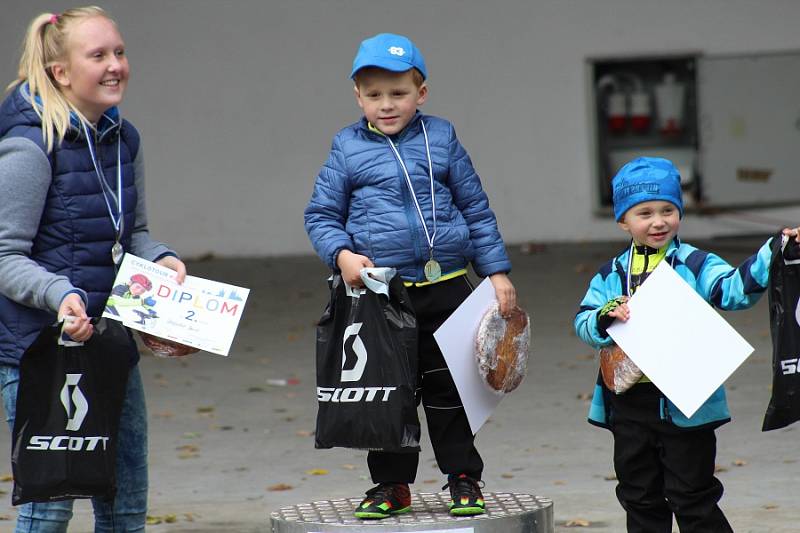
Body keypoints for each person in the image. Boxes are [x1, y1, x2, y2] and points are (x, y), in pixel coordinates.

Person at [304, 33, 516, 519]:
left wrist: (496, 272)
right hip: (383, 296)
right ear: (357, 96)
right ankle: (391, 485)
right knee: (388, 393)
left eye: (398, 93)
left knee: (451, 389)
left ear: (421, 93)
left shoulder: (441, 138)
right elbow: (320, 215)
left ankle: (463, 476)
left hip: (448, 290)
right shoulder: (346, 147)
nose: (386, 104)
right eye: (374, 94)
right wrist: (340, 255)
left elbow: (476, 209)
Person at [0, 7, 186, 531]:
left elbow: (135, 234)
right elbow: (4, 255)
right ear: (61, 72)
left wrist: (162, 259)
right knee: (50, 502)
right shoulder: (29, 145)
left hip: (108, 343)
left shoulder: (123, 139)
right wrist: (59, 296)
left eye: (120, 52)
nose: (115, 66)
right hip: (38, 351)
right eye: (98, 55)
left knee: (125, 502)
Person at [574, 156, 800, 533]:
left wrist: (771, 253)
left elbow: (732, 291)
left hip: (686, 405)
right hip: (629, 405)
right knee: (638, 495)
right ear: (622, 221)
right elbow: (583, 322)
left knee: (692, 495)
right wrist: (606, 314)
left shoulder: (695, 263)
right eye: (644, 213)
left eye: (668, 210)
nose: (658, 221)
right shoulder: (610, 275)